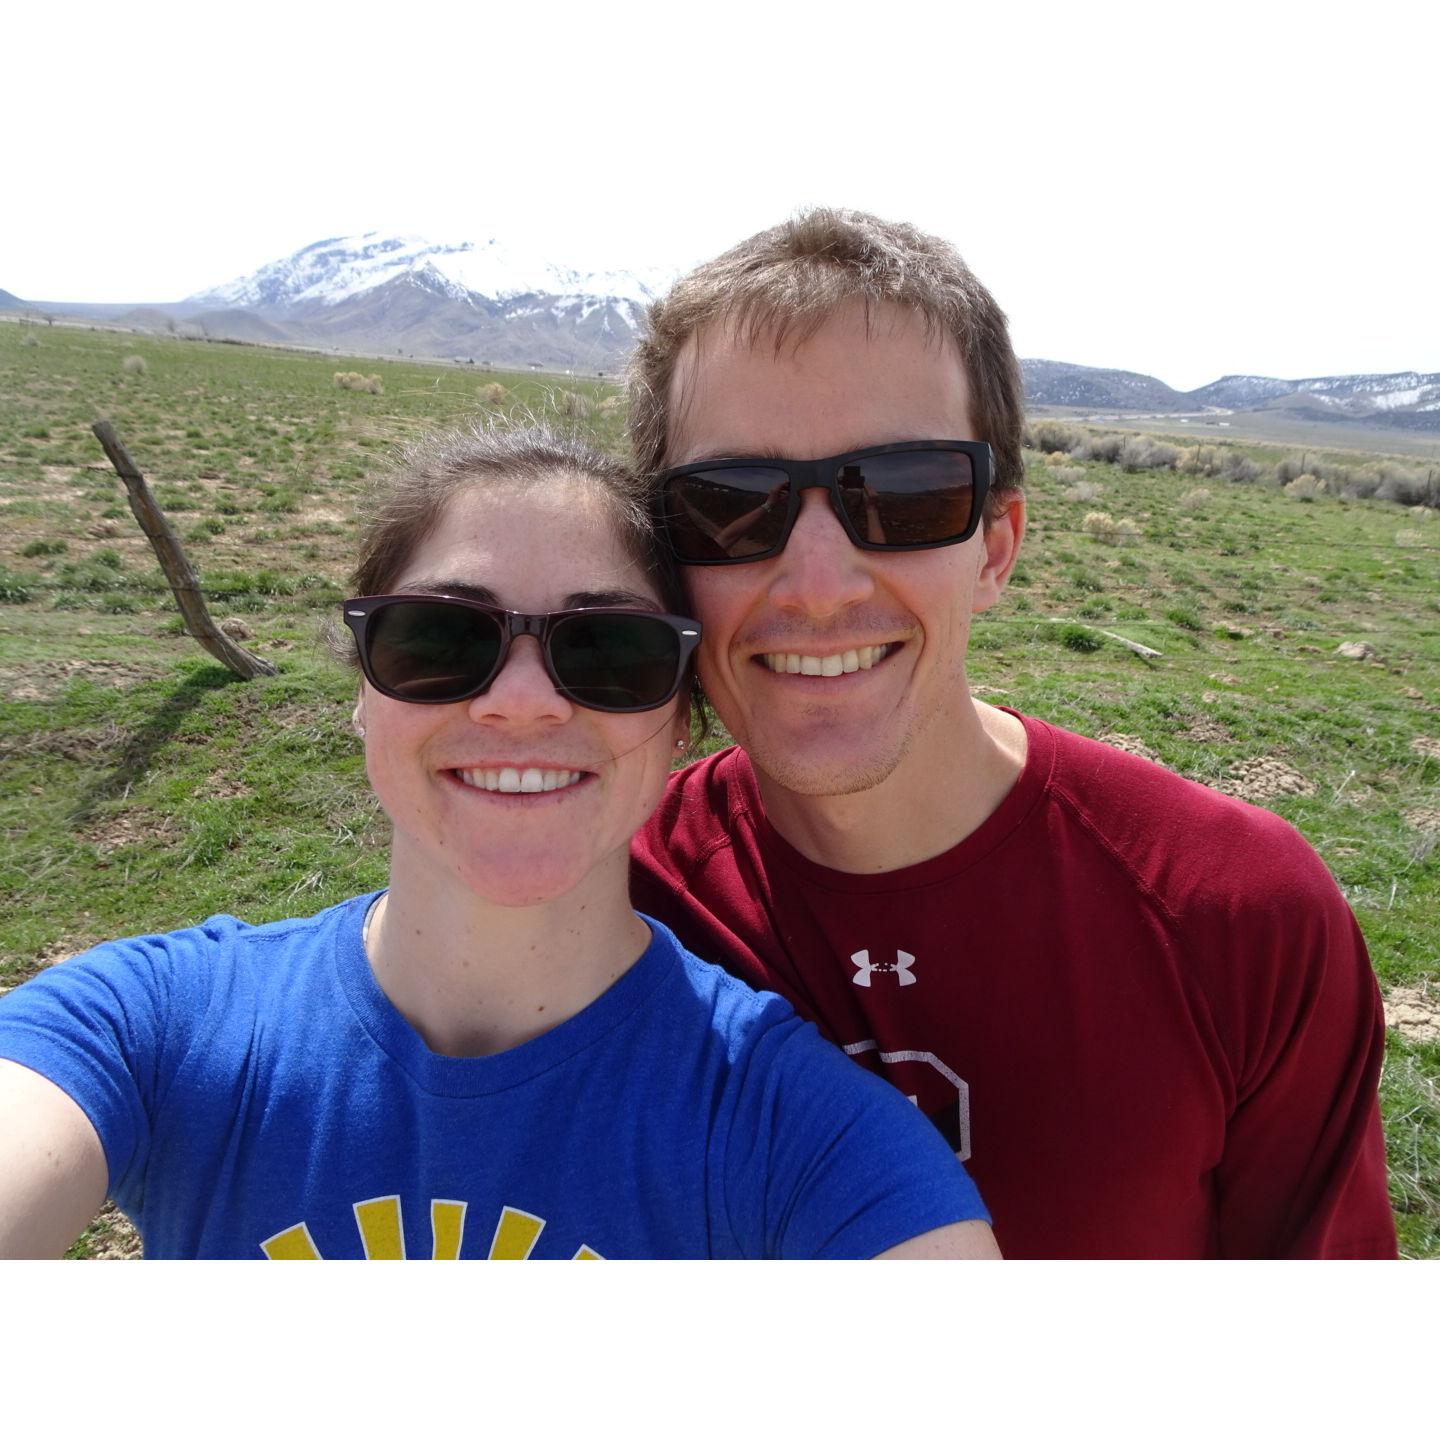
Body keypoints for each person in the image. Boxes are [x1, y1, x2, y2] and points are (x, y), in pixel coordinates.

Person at [0, 424, 997, 1261]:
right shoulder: (144, 1030)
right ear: (364, 688)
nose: (521, 701)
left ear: (682, 722)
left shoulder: (803, 1144)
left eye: (607, 653)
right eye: (440, 640)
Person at [628, 209, 1398, 1259]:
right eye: (729, 507)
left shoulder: (1237, 922)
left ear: (997, 546)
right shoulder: (608, 902)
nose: (815, 585)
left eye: (903, 495)